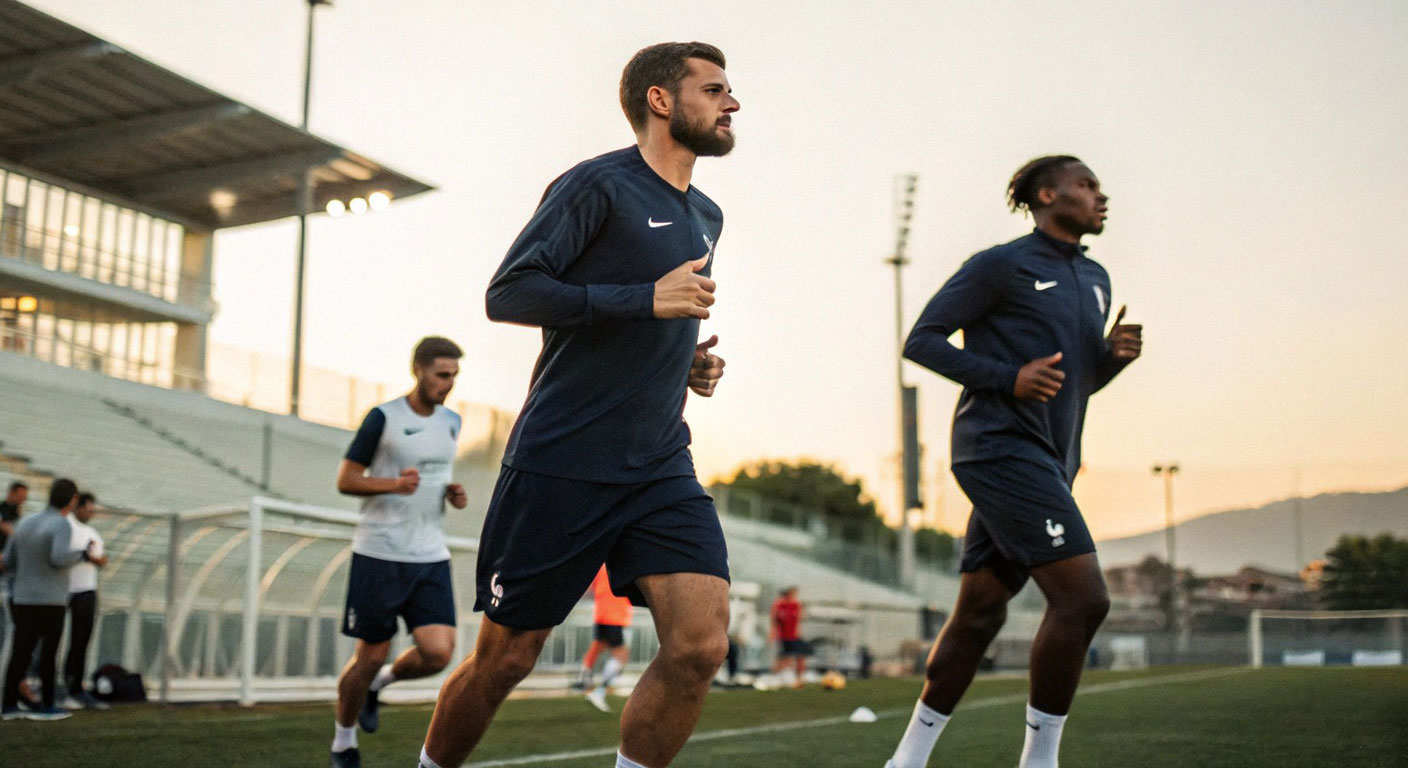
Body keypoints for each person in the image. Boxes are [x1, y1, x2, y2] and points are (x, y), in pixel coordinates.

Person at [416, 41, 737, 768]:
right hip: (566, 456)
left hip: (660, 462)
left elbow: (652, 314)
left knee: (699, 645)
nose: (732, 103)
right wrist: (644, 301)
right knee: (507, 659)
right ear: (661, 100)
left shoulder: (707, 214)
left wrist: (684, 360)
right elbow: (511, 293)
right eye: (714, 90)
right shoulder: (597, 185)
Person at [883, 156, 1142, 768]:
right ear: (1047, 195)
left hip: (1052, 460)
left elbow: (1072, 383)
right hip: (998, 448)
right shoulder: (1001, 265)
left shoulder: (1096, 278)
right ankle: (1039, 762)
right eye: (1087, 185)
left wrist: (1110, 360)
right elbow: (921, 341)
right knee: (1083, 601)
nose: (1101, 196)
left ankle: (905, 762)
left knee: (978, 615)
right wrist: (1008, 377)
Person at [329, 337, 469, 768]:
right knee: (369, 655)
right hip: (380, 552)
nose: (448, 383)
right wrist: (393, 484)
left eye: (454, 376)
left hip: (430, 553)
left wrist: (450, 492)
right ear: (418, 370)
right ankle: (343, 742)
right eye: (441, 374)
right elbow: (346, 479)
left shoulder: (452, 422)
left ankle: (380, 684)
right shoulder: (383, 418)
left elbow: (434, 475)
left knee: (438, 654)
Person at [0, 478, 95, 720]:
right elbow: (59, 558)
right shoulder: (61, 524)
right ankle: (48, 704)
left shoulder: (25, 522)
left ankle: (9, 705)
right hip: (51, 599)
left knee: (21, 652)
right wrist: (82, 554)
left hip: (22, 597)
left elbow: (8, 561)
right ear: (72, 500)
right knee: (48, 653)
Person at [63, 492, 107, 710]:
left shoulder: (92, 533)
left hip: (86, 591)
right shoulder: (65, 528)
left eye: (92, 511)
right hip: (62, 590)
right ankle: (51, 685)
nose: (90, 514)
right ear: (77, 507)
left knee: (81, 640)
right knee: (50, 638)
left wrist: (93, 558)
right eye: (88, 510)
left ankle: (75, 687)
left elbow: (102, 559)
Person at [576, 565, 634, 712]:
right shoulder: (622, 563)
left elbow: (590, 586)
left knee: (597, 647)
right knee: (621, 656)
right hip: (615, 615)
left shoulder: (600, 566)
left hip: (601, 613)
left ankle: (584, 679)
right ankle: (600, 691)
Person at [769, 587, 806, 687]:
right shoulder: (779, 605)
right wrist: (773, 633)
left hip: (795, 636)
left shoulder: (796, 605)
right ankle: (774, 677)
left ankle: (799, 678)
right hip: (784, 636)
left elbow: (800, 619)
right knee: (783, 658)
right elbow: (774, 620)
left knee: (800, 657)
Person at [0, 481, 27, 554]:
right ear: (11, 493)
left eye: (24, 497)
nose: (23, 500)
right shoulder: (2, 509)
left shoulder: (18, 514)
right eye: (20, 496)